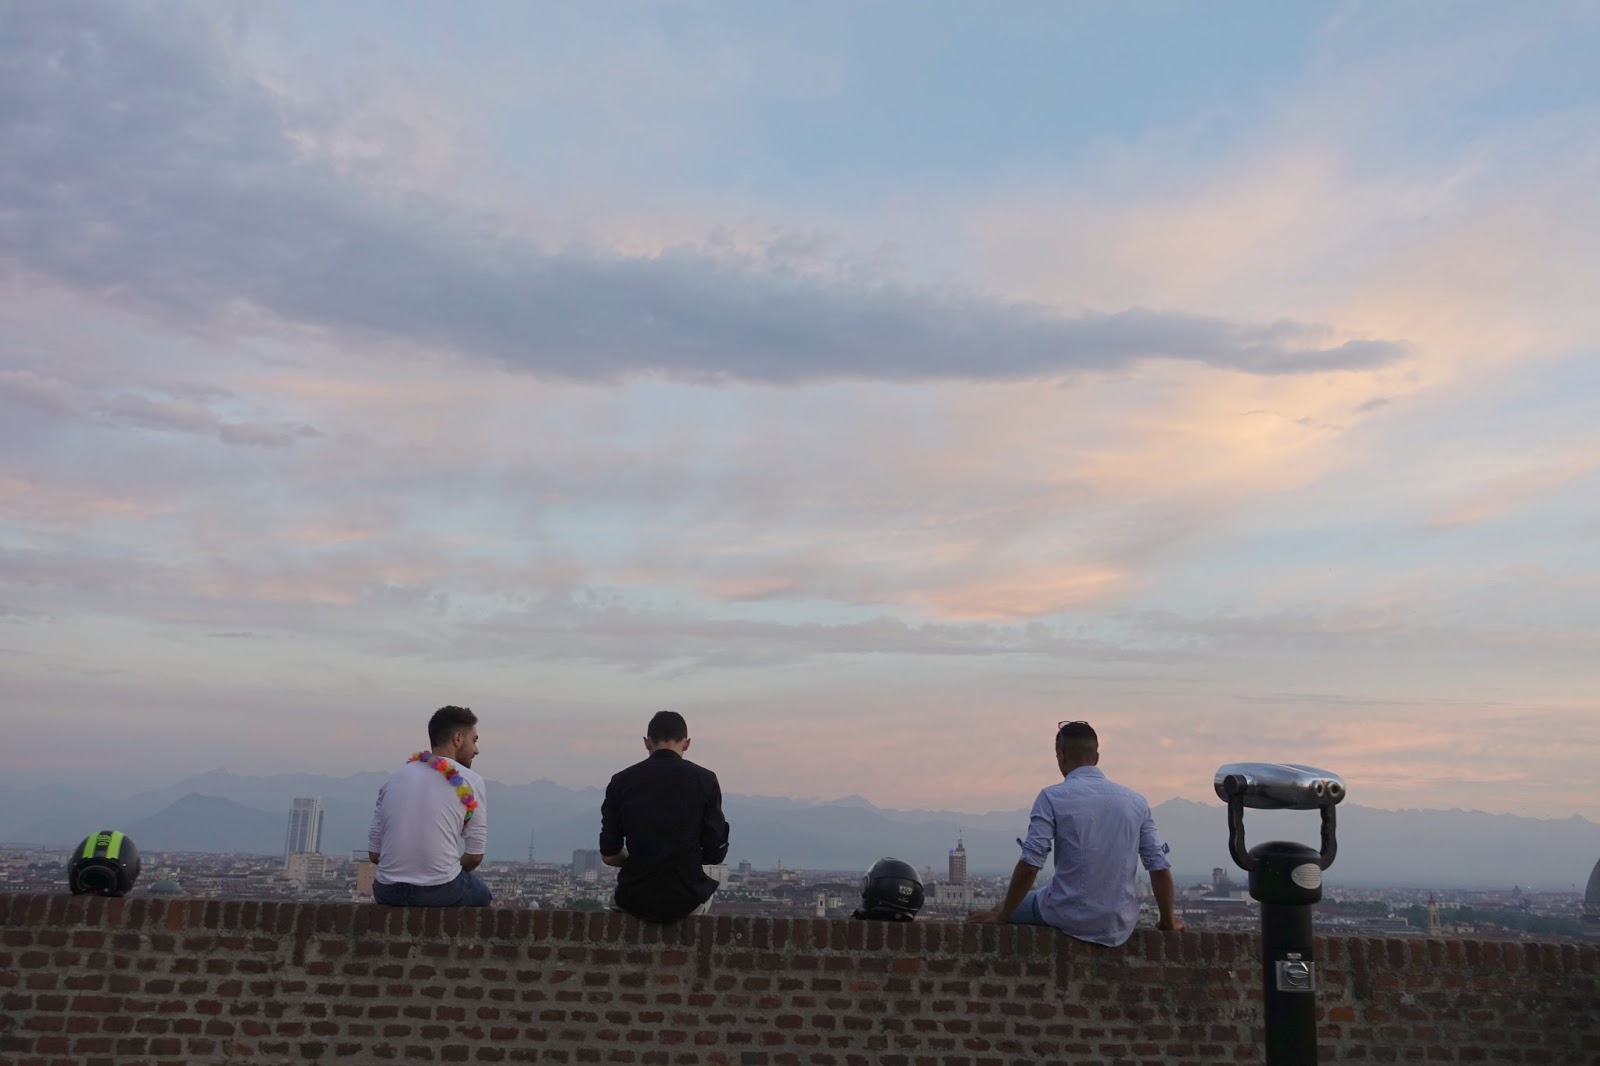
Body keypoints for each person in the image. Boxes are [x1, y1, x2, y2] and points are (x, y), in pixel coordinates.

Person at [968, 720, 1183, 945]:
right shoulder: (1136, 802)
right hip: (1118, 922)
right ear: (1096, 757)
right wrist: (1168, 920)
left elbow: (1030, 865)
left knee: (1000, 908)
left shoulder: (1052, 797)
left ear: (1060, 755)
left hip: (1065, 913)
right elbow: (1158, 865)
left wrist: (1002, 915)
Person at [599, 710, 730, 922]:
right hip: (687, 898)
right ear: (686, 744)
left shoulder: (621, 781)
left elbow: (609, 855)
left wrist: (641, 860)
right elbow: (715, 854)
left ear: (646, 742)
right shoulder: (705, 780)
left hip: (634, 897)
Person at [367, 705, 492, 908]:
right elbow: (475, 856)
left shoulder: (394, 778)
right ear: (458, 739)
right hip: (441, 890)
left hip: (387, 891)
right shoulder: (471, 780)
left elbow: (374, 854)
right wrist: (440, 872)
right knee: (483, 895)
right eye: (474, 741)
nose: (476, 750)